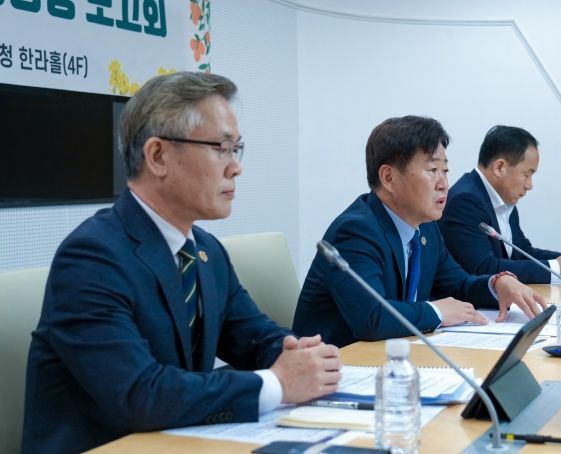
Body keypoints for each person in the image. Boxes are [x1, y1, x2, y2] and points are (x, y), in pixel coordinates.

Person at [21, 72, 341, 453]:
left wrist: (297, 354)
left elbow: (252, 336)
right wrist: (277, 384)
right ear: (158, 156)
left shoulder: (205, 251)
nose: (236, 167)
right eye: (221, 148)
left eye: (236, 149)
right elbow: (141, 393)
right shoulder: (91, 257)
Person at [292, 116, 547, 348]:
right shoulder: (356, 231)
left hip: (395, 356)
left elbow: (458, 285)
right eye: (432, 170)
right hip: (340, 366)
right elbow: (372, 318)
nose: (444, 184)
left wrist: (497, 284)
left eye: (445, 171)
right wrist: (438, 312)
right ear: (388, 178)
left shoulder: (426, 228)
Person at [439, 125, 561, 284]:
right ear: (499, 167)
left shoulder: (502, 198)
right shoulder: (465, 200)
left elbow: (522, 252)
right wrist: (555, 268)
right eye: (527, 174)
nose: (530, 185)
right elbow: (481, 268)